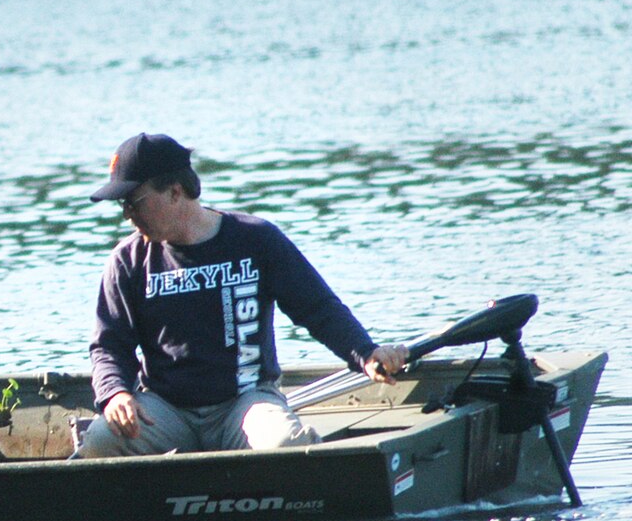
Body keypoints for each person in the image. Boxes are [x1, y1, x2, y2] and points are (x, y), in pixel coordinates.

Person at [75, 133, 408, 459]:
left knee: (288, 447)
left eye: (134, 202)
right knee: (102, 441)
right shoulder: (127, 261)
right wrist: (114, 394)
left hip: (244, 402)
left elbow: (317, 308)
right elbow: (108, 345)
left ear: (175, 192)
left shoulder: (256, 240)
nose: (127, 215)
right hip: (166, 410)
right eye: (123, 204)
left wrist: (365, 353)